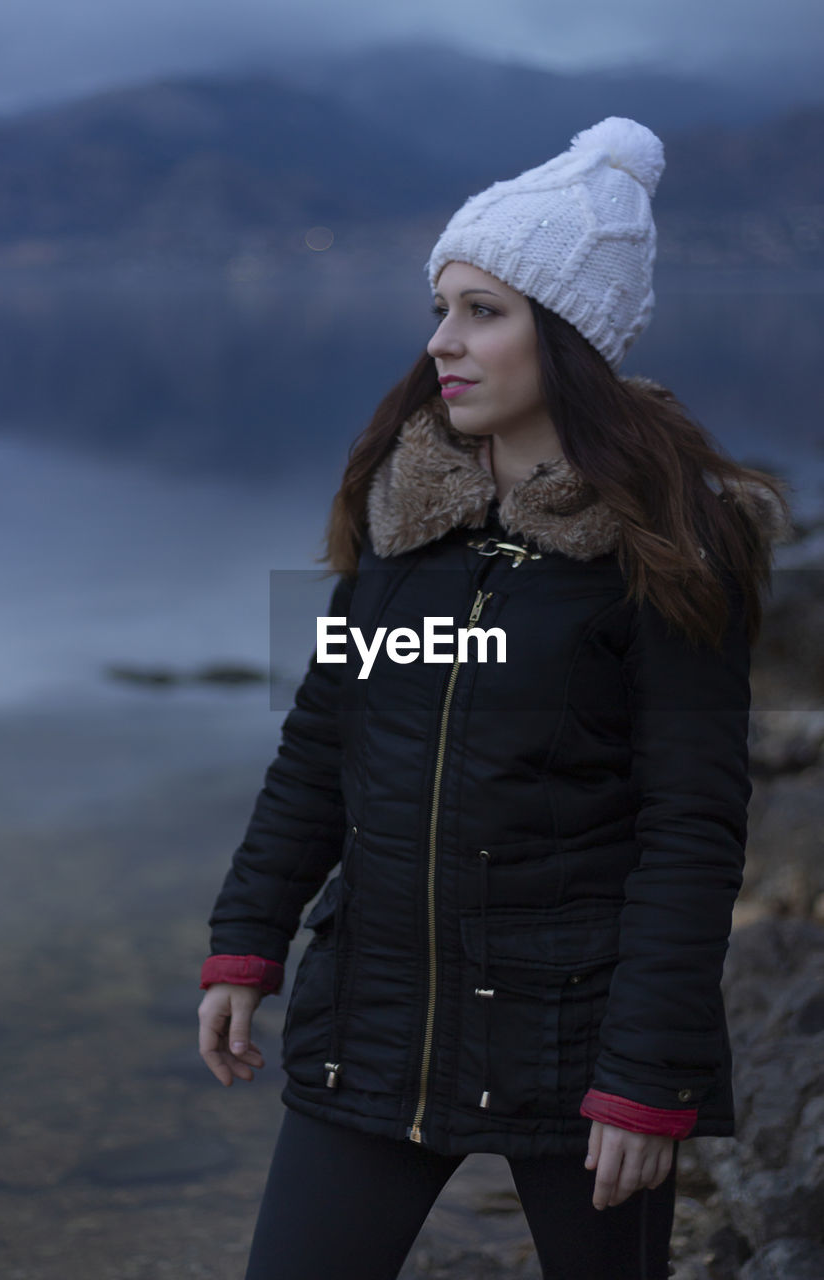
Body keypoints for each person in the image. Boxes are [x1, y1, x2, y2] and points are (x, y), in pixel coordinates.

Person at [196, 116, 793, 1280]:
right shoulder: (404, 523)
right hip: (376, 1017)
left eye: (483, 311)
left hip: (579, 1044)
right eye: (440, 309)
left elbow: (690, 829)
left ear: (563, 336)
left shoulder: (664, 550)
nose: (442, 345)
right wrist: (244, 941)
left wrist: (643, 1075)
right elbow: (322, 745)